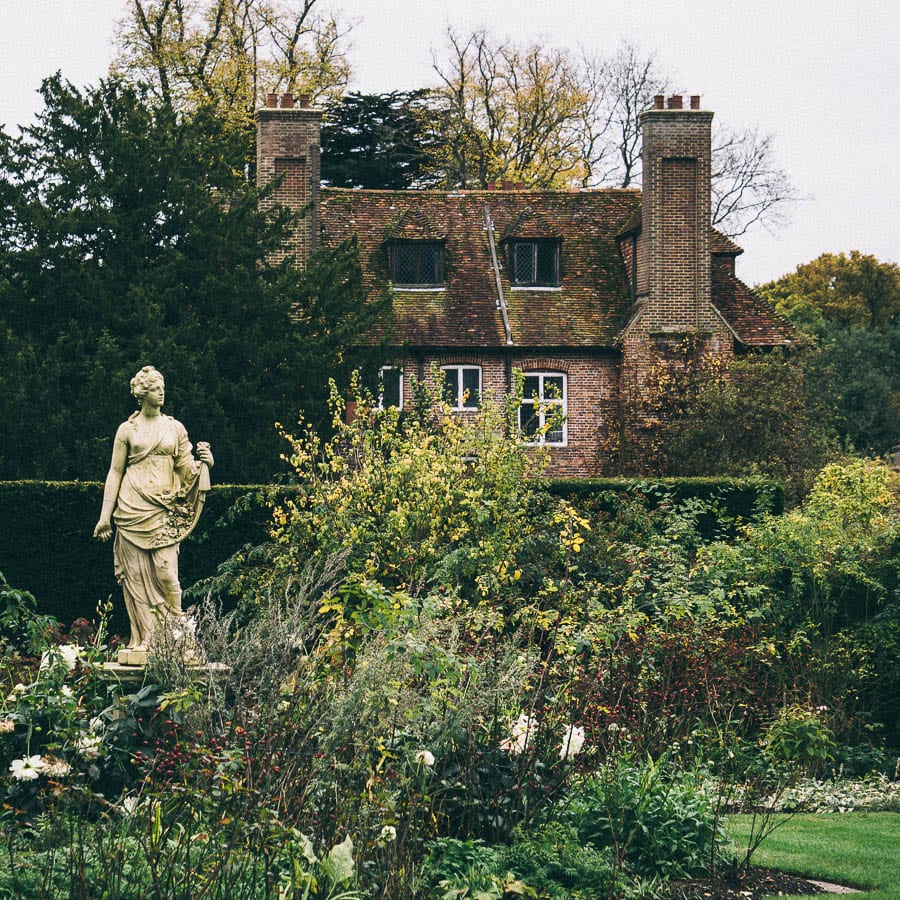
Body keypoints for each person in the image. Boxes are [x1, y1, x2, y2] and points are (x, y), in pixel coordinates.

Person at [93, 366, 213, 658]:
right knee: (134, 578)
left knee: (167, 573)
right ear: (142, 393)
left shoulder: (175, 428)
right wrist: (104, 516)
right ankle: (147, 638)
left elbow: (186, 470)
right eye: (156, 387)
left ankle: (179, 635)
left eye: (162, 386)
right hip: (131, 507)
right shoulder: (127, 430)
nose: (162, 391)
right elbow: (115, 472)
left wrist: (205, 464)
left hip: (164, 508)